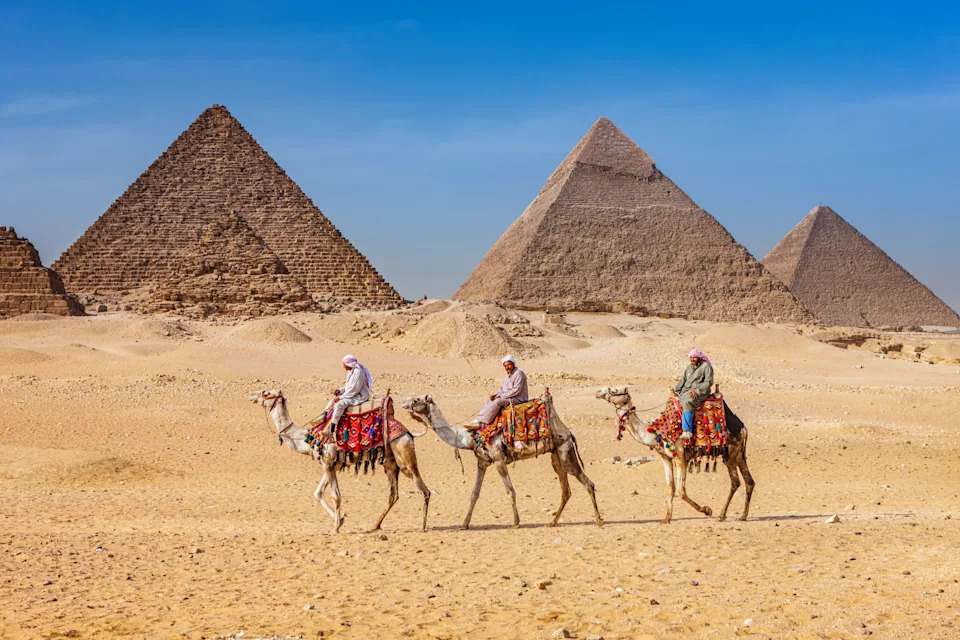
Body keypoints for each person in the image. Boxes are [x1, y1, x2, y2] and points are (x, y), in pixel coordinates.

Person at [469, 355, 529, 428]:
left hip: (518, 398)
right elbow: (502, 389)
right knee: (490, 400)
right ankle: (479, 419)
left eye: (509, 365)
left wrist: (501, 396)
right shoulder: (507, 375)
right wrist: (495, 395)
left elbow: (516, 390)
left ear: (513, 363)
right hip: (509, 396)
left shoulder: (519, 374)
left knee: (498, 401)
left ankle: (483, 421)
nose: (507, 367)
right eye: (505, 366)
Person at [674, 348, 714, 440]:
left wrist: (697, 390)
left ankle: (687, 431)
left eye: (694, 358)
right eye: (691, 358)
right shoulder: (689, 367)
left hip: (701, 392)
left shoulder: (706, 367)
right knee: (673, 401)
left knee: (688, 402)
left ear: (699, 357)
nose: (692, 359)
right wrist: (677, 389)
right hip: (686, 390)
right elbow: (684, 379)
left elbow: (708, 382)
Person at [324, 354, 374, 428]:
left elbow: (354, 390)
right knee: (332, 401)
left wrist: (341, 398)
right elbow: (348, 387)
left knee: (339, 405)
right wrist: (340, 391)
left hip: (359, 396)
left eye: (344, 364)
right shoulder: (350, 372)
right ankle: (322, 419)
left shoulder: (359, 373)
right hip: (351, 394)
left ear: (349, 364)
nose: (343, 366)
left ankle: (332, 427)